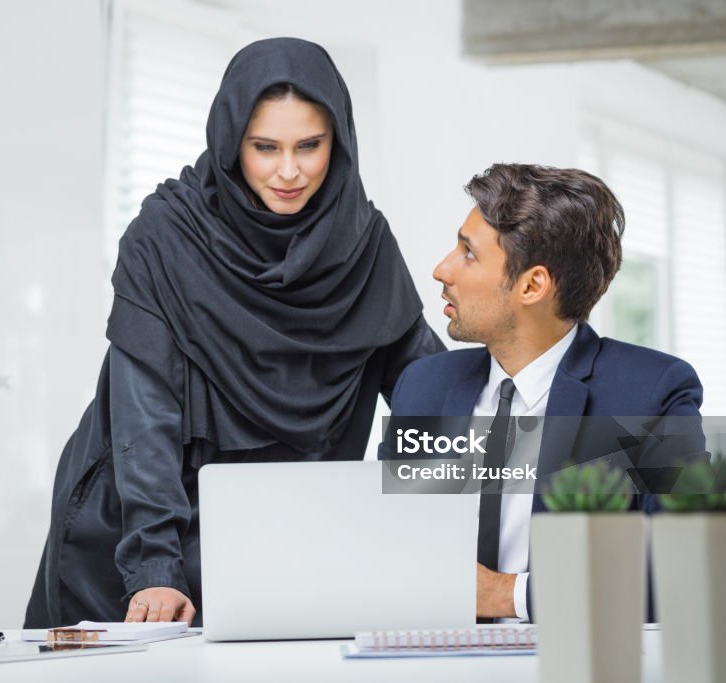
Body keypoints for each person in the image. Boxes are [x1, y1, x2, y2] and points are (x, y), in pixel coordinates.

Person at [23, 37, 445, 629]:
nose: (289, 171)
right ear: (230, 143)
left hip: (284, 534)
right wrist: (156, 570)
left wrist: (579, 468)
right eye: (265, 147)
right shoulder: (166, 235)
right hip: (145, 527)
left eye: (310, 146)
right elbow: (145, 417)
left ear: (340, 142)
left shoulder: (364, 244)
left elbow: (432, 395)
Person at [387, 163, 704, 622]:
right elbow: (384, 544)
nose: (442, 269)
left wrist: (509, 595)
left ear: (532, 285)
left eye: (468, 253)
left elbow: (687, 571)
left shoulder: (651, 393)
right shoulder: (424, 385)